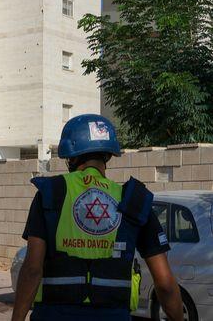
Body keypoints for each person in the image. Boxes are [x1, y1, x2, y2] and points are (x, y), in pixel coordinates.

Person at [11, 114, 183, 321]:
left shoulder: (51, 193)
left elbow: (32, 269)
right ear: (108, 155)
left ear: (71, 157)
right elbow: (164, 283)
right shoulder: (134, 201)